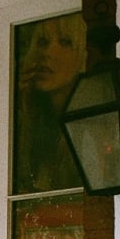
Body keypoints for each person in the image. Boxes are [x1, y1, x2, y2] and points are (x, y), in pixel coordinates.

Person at [14, 13, 86, 194]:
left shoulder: (90, 128)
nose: (47, 53)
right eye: (43, 42)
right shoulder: (28, 120)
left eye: (66, 42)